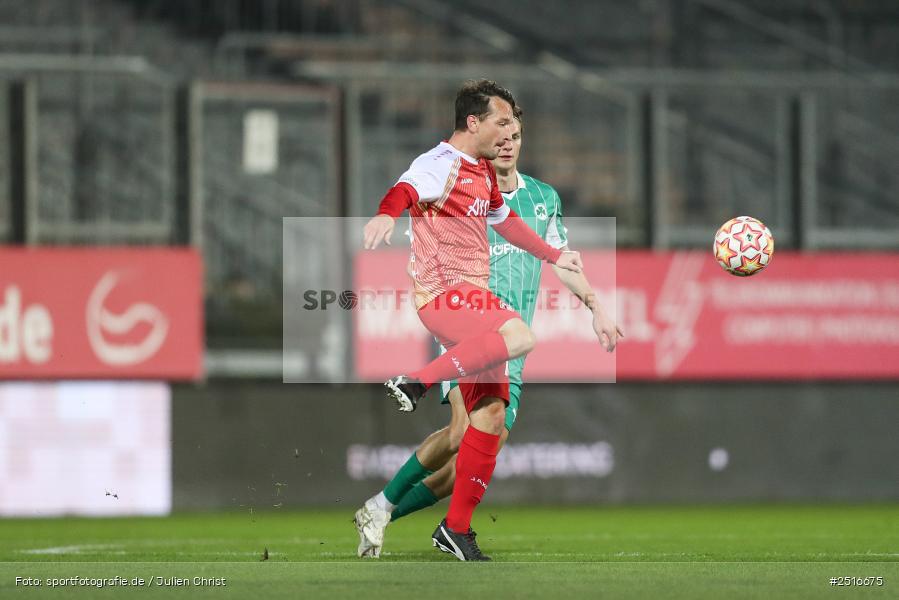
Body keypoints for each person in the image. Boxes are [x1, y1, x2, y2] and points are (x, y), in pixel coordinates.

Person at [355, 108, 623, 560]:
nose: (507, 142)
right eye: (501, 132)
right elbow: (415, 196)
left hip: (510, 339)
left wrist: (596, 306)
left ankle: (382, 510)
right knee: (467, 428)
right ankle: (439, 520)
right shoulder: (462, 182)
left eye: (515, 135)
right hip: (470, 329)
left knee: (471, 455)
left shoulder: (542, 198)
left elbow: (562, 257)